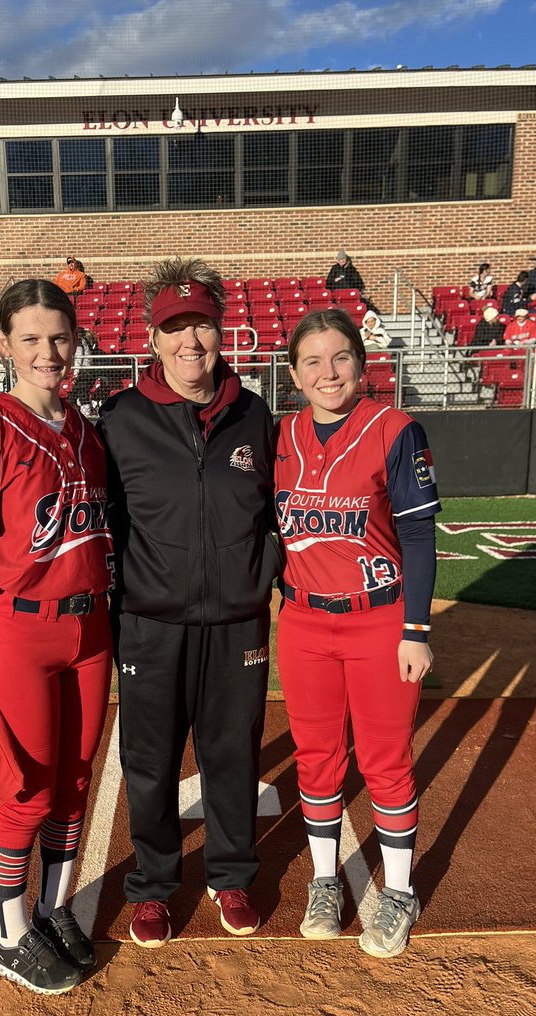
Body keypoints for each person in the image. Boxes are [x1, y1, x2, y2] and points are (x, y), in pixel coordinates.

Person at [96, 257, 280, 948]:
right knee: (150, 760)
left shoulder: (253, 414)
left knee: (231, 754)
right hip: (150, 622)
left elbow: (276, 511)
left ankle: (230, 874)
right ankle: (153, 886)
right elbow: (103, 521)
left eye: (200, 324)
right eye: (175, 328)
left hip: (237, 622)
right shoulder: (121, 419)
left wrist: (264, 570)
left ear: (221, 328)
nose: (190, 342)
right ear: (152, 338)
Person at [0, 278, 113, 995]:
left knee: (75, 785)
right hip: (25, 635)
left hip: (93, 631)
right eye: (32, 339)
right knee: (26, 793)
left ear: (75, 341)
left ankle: (53, 909)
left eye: (59, 337)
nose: (49, 352)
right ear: (4, 343)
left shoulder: (86, 432)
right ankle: (9, 937)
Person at [274, 307, 440, 957]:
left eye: (340, 357)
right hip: (305, 621)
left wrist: (416, 628)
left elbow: (420, 534)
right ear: (293, 373)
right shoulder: (281, 435)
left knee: (384, 760)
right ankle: (325, 881)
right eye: (312, 360)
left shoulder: (393, 429)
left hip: (378, 620)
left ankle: (398, 891)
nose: (328, 371)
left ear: (361, 364)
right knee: (316, 760)